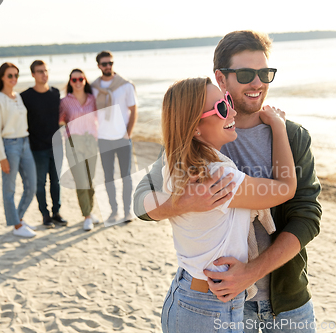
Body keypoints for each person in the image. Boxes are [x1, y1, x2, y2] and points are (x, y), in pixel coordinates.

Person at [133, 30, 322, 332]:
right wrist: (181, 203)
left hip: (287, 303)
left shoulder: (292, 136)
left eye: (265, 73)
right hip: (220, 301)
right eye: (246, 73)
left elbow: (307, 217)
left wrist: (251, 273)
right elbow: (141, 199)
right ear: (221, 79)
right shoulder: (192, 142)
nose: (258, 83)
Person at [158, 77, 296, 333]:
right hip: (207, 309)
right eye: (221, 108)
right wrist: (278, 126)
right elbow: (286, 188)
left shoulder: (174, 164)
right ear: (195, 128)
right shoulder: (217, 177)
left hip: (188, 297)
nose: (231, 111)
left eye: (228, 101)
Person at [0, 62, 37, 238]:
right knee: (9, 189)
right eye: (10, 75)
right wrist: (2, 157)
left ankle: (19, 218)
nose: (13, 79)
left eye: (16, 75)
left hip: (25, 143)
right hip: (9, 146)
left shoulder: (18, 97)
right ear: (2, 77)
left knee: (32, 185)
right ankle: (16, 226)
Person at [90, 51, 137, 223]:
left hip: (122, 138)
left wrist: (128, 133)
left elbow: (133, 110)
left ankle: (127, 211)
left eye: (110, 63)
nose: (108, 66)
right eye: (104, 64)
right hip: (103, 138)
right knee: (108, 177)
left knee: (126, 176)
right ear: (98, 66)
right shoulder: (94, 87)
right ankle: (114, 211)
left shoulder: (125, 85)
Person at [20, 60, 67, 229]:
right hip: (37, 148)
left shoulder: (55, 93)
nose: (43, 74)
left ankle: (56, 213)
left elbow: (62, 117)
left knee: (56, 182)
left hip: (56, 146)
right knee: (40, 183)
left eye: (45, 70)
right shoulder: (25, 96)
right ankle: (45, 215)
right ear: (33, 74)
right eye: (39, 71)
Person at [59, 69, 99, 231]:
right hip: (74, 143)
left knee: (90, 180)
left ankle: (90, 210)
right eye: (74, 79)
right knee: (81, 180)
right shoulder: (65, 102)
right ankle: (87, 216)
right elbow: (59, 121)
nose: (77, 82)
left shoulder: (93, 99)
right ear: (70, 81)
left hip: (91, 142)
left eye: (80, 79)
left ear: (85, 80)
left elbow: (104, 114)